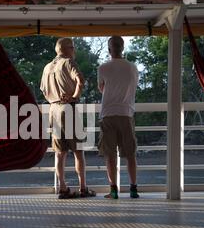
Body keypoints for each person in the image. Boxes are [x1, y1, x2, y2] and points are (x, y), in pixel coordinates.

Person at [40, 38, 94, 199]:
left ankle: (63, 188)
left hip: (53, 110)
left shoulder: (47, 67)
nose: (74, 51)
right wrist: (74, 97)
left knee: (59, 152)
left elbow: (43, 90)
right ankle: (83, 188)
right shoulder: (68, 62)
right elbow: (80, 80)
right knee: (78, 151)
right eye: (73, 48)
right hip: (68, 108)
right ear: (68, 49)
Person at [97, 36, 139, 199]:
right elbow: (133, 86)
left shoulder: (103, 68)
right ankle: (133, 189)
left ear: (109, 49)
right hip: (126, 113)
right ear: (123, 48)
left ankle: (114, 190)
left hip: (108, 114)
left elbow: (102, 89)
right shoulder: (132, 67)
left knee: (110, 154)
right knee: (130, 154)